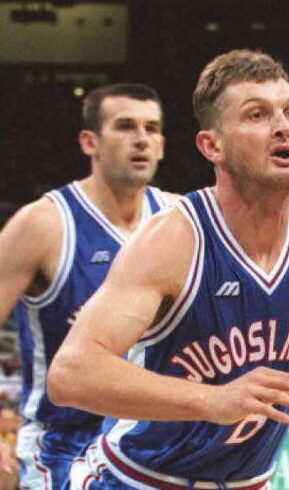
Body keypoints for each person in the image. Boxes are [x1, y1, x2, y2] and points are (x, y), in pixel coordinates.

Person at [47, 49, 289, 489]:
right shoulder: (173, 240)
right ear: (212, 146)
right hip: (137, 479)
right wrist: (213, 399)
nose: (282, 126)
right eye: (257, 115)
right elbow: (71, 373)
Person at [0, 83, 176, 490]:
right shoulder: (42, 225)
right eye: (126, 126)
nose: (141, 139)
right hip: (64, 446)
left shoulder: (177, 219)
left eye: (151, 129)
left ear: (162, 146)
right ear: (89, 142)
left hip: (153, 444)